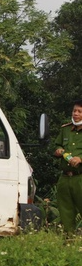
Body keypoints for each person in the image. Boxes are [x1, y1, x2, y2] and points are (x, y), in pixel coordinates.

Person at [53, 100, 82, 234]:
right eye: (74, 111)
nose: (76, 114)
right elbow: (57, 146)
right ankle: (69, 240)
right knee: (66, 211)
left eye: (79, 112)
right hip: (65, 178)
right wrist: (59, 151)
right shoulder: (65, 129)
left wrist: (80, 159)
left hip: (79, 178)